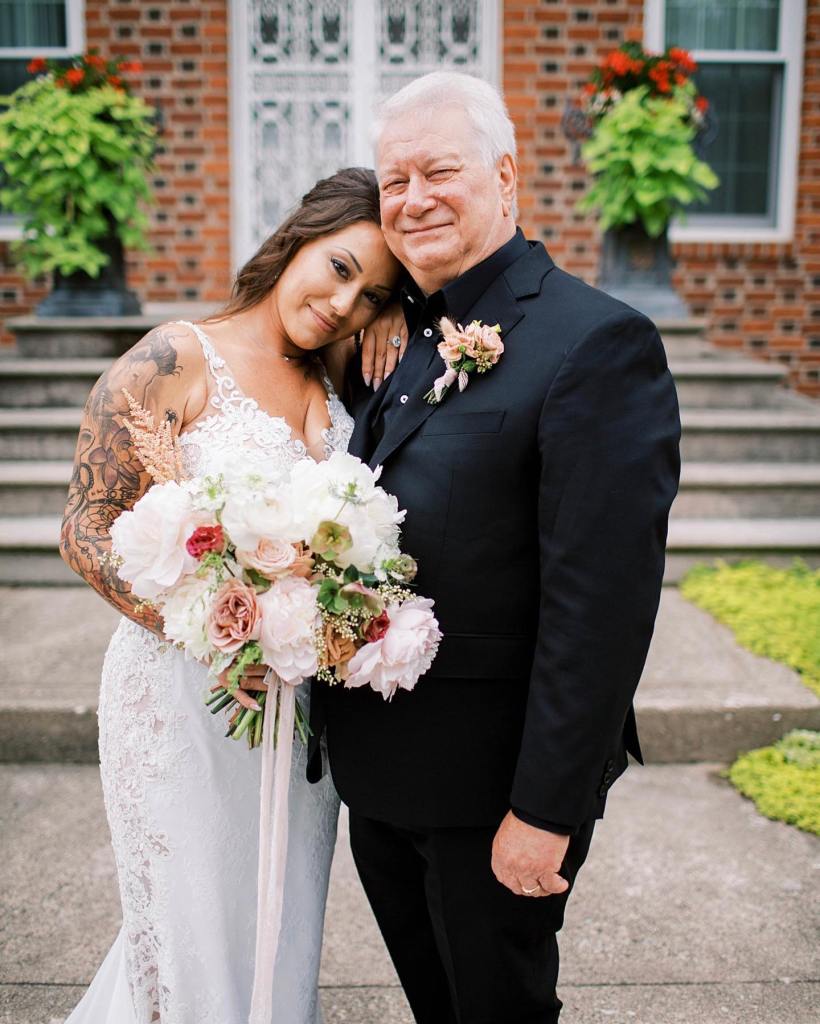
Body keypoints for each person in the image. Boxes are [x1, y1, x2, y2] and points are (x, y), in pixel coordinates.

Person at [317, 73, 681, 1023]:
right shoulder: (392, 342)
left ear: (506, 176)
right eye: (394, 181)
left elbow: (599, 610)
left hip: (495, 795)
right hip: (382, 778)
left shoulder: (596, 343)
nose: (413, 198)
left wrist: (547, 813)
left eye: (440, 171)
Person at [59, 166, 405, 1024]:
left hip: (295, 711)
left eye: (371, 295)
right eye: (340, 266)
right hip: (179, 695)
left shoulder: (337, 390)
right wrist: (214, 632)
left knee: (277, 918)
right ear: (298, 239)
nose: (343, 303)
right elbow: (84, 525)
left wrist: (405, 314)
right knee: (188, 930)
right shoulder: (176, 354)